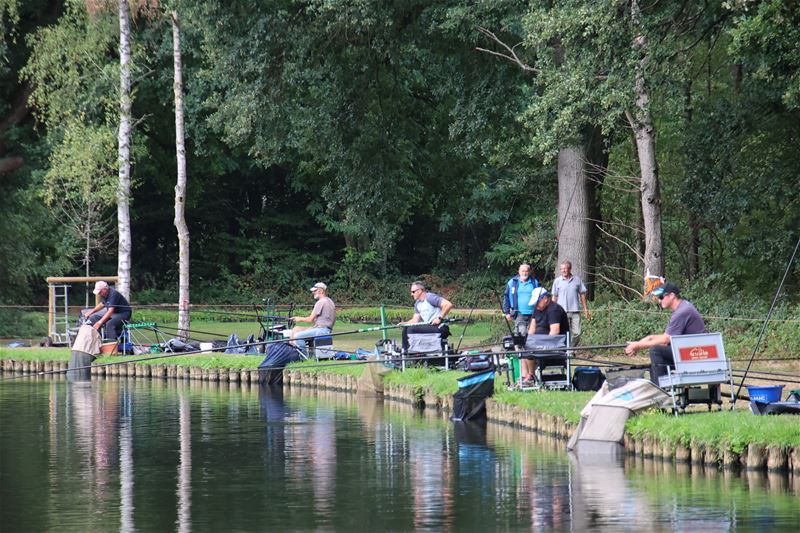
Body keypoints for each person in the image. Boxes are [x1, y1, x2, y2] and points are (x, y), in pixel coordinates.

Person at [624, 281, 705, 385]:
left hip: (695, 354)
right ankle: (659, 388)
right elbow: (667, 337)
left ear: (672, 295)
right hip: (691, 351)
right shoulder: (683, 307)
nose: (659, 301)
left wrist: (638, 346)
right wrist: (648, 338)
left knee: (656, 351)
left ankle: (659, 390)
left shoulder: (681, 312)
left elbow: (665, 340)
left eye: (661, 297)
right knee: (655, 365)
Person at [522, 287, 570, 385]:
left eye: (537, 302)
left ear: (545, 299)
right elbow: (531, 330)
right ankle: (526, 377)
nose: (536, 305)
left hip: (555, 345)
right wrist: (528, 341)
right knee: (523, 349)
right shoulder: (537, 309)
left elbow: (554, 332)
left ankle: (531, 376)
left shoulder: (554, 309)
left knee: (529, 351)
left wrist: (539, 345)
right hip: (539, 343)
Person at [399, 281, 454, 352]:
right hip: (430, 327)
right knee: (406, 329)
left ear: (419, 291)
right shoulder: (417, 304)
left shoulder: (430, 297)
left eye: (413, 292)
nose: (411, 294)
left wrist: (439, 318)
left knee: (411, 330)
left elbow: (448, 304)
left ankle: (413, 352)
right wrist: (404, 324)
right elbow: (415, 321)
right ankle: (405, 352)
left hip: (441, 327)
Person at [290, 282, 336, 357]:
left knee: (298, 336)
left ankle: (303, 358)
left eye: (315, 291)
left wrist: (299, 318)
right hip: (326, 329)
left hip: (321, 330)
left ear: (321, 291)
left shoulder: (321, 302)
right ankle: (307, 355)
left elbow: (310, 319)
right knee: (296, 329)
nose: (313, 292)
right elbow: (322, 319)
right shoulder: (330, 301)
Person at [551, 260, 590, 345]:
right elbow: (554, 296)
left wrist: (585, 309)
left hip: (575, 311)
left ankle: (571, 349)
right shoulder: (557, 281)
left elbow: (582, 295)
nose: (563, 270)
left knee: (577, 333)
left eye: (565, 268)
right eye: (561, 269)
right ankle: (564, 350)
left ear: (570, 269)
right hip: (562, 312)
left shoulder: (577, 280)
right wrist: (552, 310)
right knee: (563, 333)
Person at [501, 263, 540, 343]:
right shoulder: (512, 282)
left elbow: (539, 296)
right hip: (519, 313)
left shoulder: (534, 282)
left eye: (526, 271)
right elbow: (506, 297)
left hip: (533, 313)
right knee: (521, 333)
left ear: (529, 272)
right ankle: (520, 352)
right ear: (519, 271)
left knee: (533, 334)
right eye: (523, 271)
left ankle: (531, 353)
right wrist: (507, 312)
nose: (524, 273)